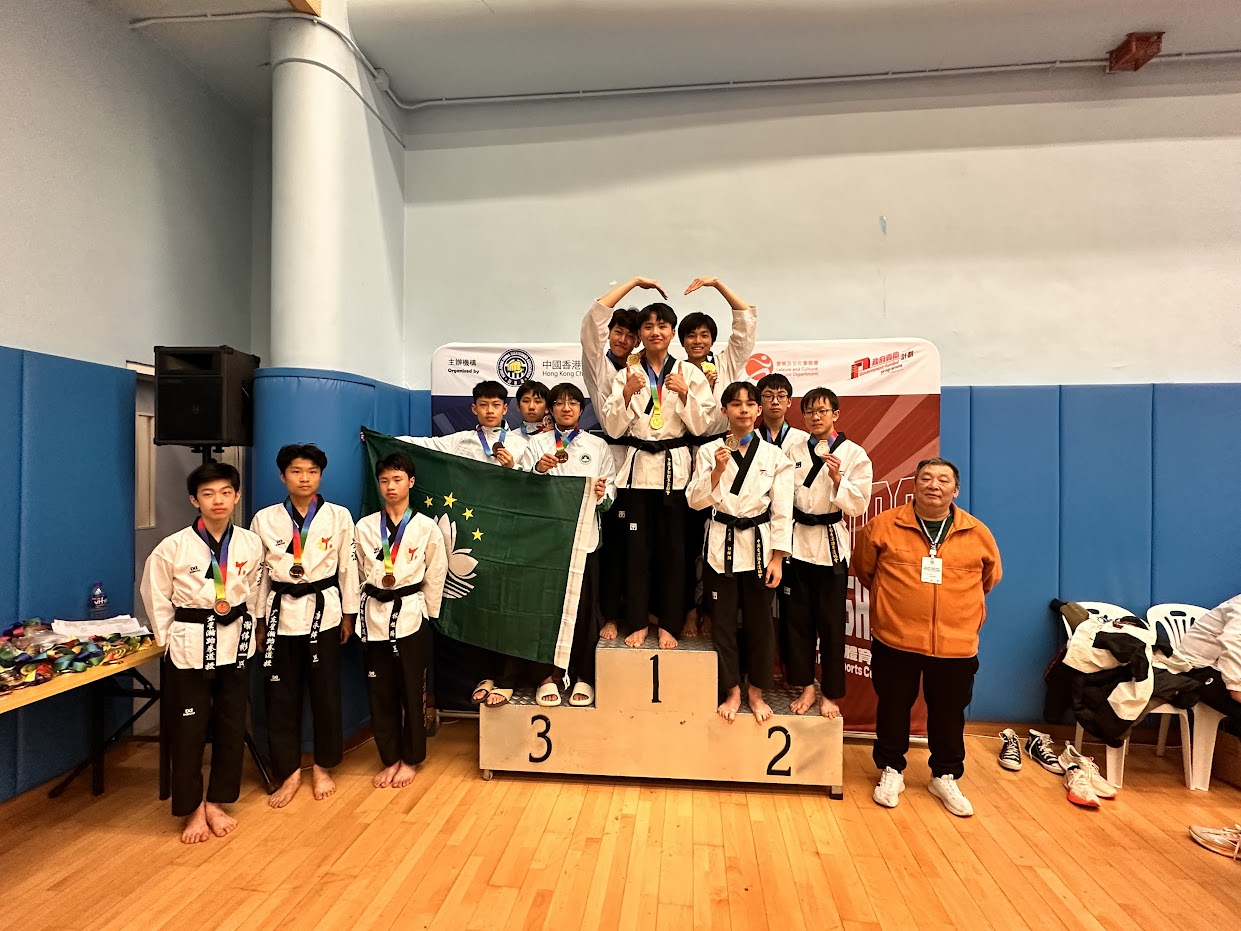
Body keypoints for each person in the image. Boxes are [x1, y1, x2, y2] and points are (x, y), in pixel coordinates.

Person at [852, 457, 1002, 817]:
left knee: (949, 713)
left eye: (943, 480)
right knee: (892, 707)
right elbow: (864, 569)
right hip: (896, 639)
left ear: (956, 490)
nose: (934, 485)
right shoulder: (883, 526)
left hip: (955, 645)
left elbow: (989, 579)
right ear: (914, 485)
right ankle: (891, 770)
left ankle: (945, 775)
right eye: (926, 478)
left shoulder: (977, 533)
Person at [140, 462, 264, 844]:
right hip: (190, 645)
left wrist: (254, 625)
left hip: (236, 642)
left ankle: (217, 801)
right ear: (195, 500)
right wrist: (168, 639)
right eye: (208, 494)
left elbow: (256, 588)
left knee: (231, 724)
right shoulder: (173, 547)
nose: (218, 500)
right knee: (188, 730)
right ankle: (192, 808)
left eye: (226, 492)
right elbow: (155, 594)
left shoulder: (250, 543)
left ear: (237, 496)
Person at [601, 300, 717, 649]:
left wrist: (685, 394)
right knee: (636, 551)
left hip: (675, 474)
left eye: (662, 326)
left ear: (672, 333)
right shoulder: (625, 375)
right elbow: (613, 429)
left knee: (674, 553)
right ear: (640, 334)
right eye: (648, 326)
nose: (655, 332)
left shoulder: (689, 373)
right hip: (637, 474)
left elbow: (702, 425)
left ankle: (670, 622)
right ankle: (637, 621)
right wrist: (625, 395)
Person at [250, 444, 359, 808]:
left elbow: (348, 568)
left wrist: (348, 615)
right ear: (283, 476)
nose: (304, 478)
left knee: (325, 694)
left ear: (320, 476)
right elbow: (259, 576)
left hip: (323, 613)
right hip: (279, 615)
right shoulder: (264, 519)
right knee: (281, 698)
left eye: (312, 471)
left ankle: (323, 767)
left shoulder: (338, 516)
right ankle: (290, 771)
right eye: (296, 471)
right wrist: (259, 622)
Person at [686, 381, 792, 723]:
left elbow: (782, 510)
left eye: (749, 404)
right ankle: (731, 690)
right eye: (735, 404)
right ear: (724, 411)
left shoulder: (775, 456)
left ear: (758, 410)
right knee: (724, 624)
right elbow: (694, 501)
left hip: (760, 549)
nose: (743, 410)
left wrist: (778, 558)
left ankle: (756, 692)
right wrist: (717, 472)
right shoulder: (709, 451)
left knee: (761, 625)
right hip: (721, 547)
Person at [354, 453, 448, 789]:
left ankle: (411, 758)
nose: (390, 486)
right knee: (380, 691)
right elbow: (357, 572)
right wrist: (357, 612)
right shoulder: (365, 527)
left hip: (410, 612)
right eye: (384, 481)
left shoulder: (425, 527)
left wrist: (428, 614)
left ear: (411, 482)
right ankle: (390, 757)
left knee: (412, 689)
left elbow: (436, 572)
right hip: (374, 614)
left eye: (397, 479)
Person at [784, 387, 873, 718]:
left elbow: (859, 505)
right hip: (797, 543)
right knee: (798, 622)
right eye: (809, 412)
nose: (815, 417)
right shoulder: (793, 450)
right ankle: (806, 686)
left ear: (835, 414)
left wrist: (838, 479)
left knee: (832, 624)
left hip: (831, 545)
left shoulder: (854, 454)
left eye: (822, 411)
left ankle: (831, 693)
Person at [678, 278, 759, 639]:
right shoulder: (674, 371)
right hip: (684, 454)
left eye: (704, 335)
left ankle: (711, 611)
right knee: (687, 543)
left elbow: (744, 324)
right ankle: (688, 611)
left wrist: (717, 284)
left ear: (712, 339)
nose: (698, 341)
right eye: (690, 335)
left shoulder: (726, 363)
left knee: (718, 536)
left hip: (722, 450)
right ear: (682, 341)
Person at [528, 382, 616, 706]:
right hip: (546, 542)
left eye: (573, 403)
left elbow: (611, 488)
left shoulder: (597, 446)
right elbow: (520, 488)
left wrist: (602, 494)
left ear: (581, 409)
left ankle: (584, 676)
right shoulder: (536, 444)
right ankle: (546, 677)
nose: (566, 408)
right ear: (550, 409)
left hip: (584, 542)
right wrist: (538, 470)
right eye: (559, 403)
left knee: (584, 612)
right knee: (545, 612)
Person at [582, 283, 646, 647]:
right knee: (610, 544)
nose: (623, 339)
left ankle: (640, 611)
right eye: (617, 331)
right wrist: (633, 282)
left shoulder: (643, 369)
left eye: (630, 335)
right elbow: (593, 321)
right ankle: (609, 614)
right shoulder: (599, 363)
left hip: (643, 461)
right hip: (610, 454)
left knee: (638, 545)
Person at [400, 380, 534, 471]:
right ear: (474, 409)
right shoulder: (461, 439)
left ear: (504, 409)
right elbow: (426, 444)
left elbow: (530, 481)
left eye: (496, 405)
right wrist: (390, 439)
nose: (489, 411)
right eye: (483, 405)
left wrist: (512, 467)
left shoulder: (521, 443)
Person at [1158, 593, 1241, 731]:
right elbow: (1233, 641)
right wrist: (1236, 686)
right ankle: (1229, 727)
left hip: (1221, 668)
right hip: (1196, 669)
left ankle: (1230, 728)